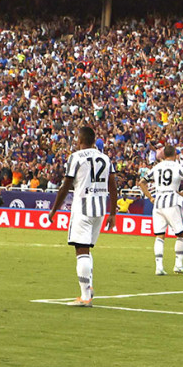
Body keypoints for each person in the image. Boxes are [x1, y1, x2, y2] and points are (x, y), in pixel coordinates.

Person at [47, 125, 116, 307]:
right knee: (86, 249)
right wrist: (113, 213)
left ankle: (85, 296)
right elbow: (113, 186)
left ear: (79, 140)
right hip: (100, 210)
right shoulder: (105, 158)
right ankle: (88, 287)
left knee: (81, 250)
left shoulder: (76, 157)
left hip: (83, 209)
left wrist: (54, 209)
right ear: (94, 141)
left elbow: (66, 185)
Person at [138, 144, 183, 276]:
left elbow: (141, 182)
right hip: (172, 201)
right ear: (175, 154)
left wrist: (150, 197)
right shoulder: (178, 166)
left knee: (160, 235)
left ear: (163, 155)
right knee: (180, 233)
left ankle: (159, 267)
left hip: (158, 202)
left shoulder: (157, 167)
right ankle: (178, 265)